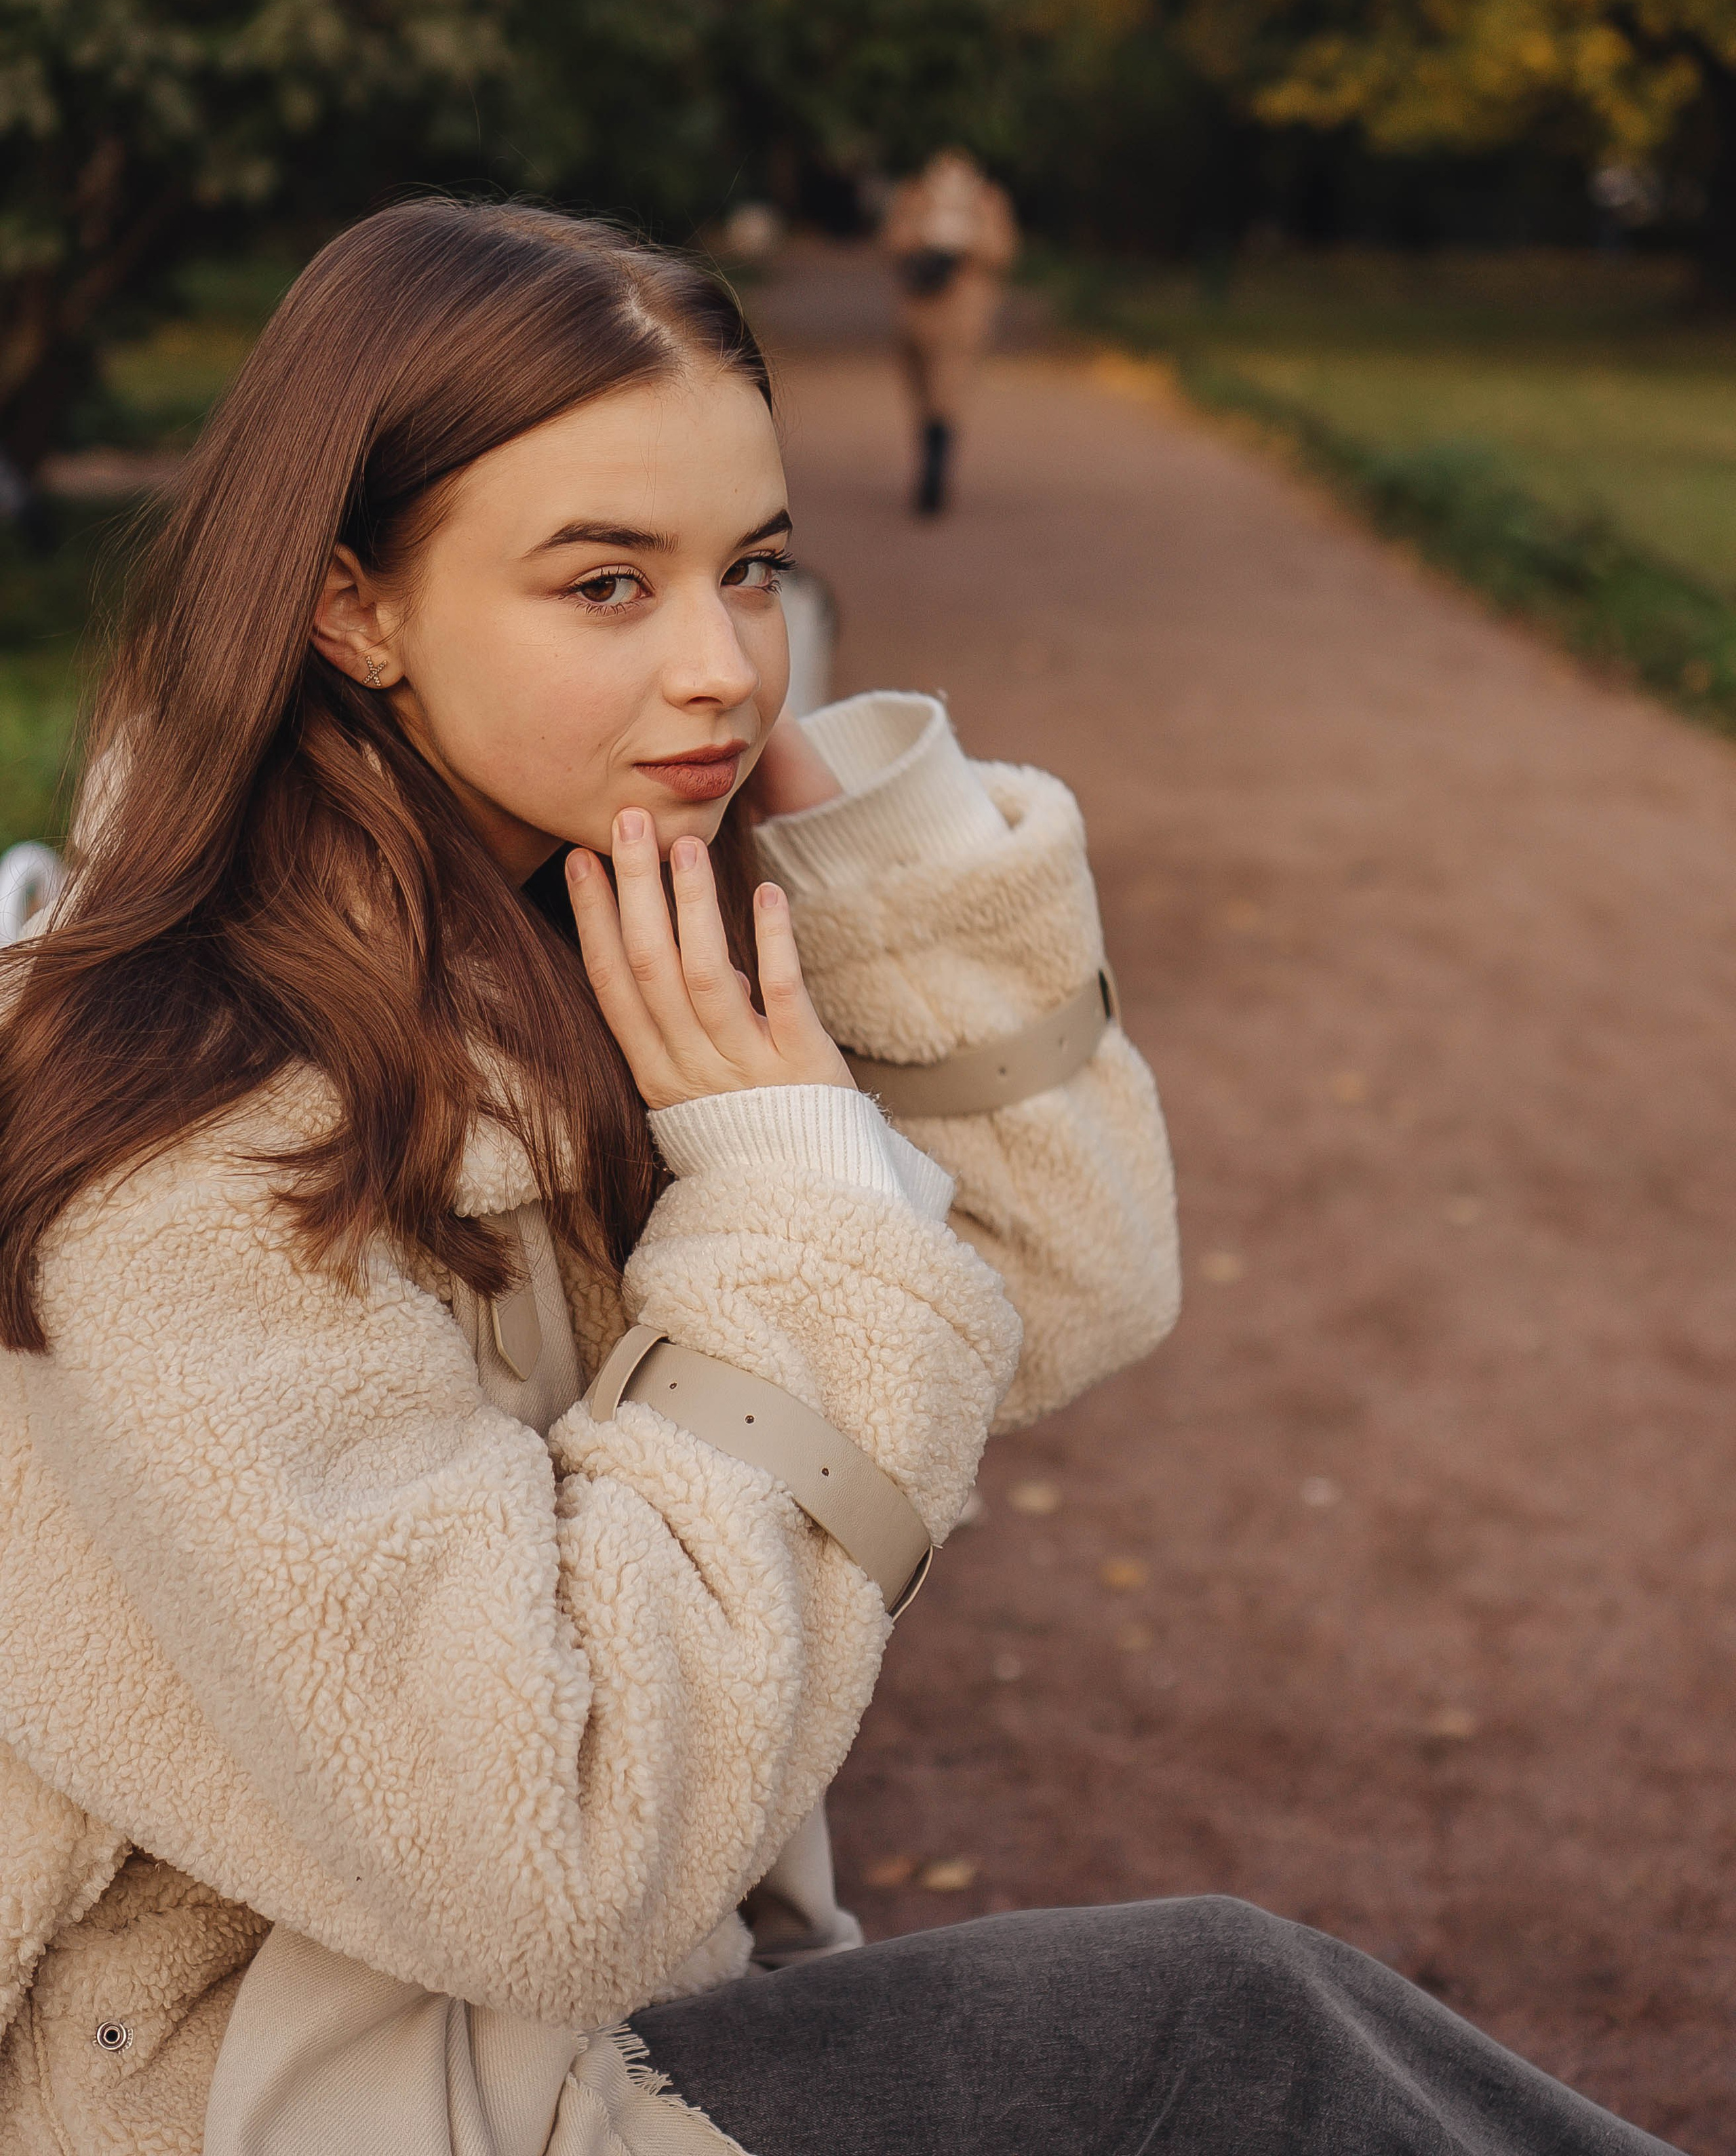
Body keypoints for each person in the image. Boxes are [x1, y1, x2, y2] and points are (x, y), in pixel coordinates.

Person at [0, 201, 1675, 2156]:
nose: (725, 667)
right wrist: (793, 1190)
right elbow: (546, 1849)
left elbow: (1072, 1280)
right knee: (1227, 2031)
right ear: (354, 606)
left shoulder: (571, 951)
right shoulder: (189, 1124)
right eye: (607, 585)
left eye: (756, 568)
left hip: (559, 2030)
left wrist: (875, 865)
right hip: (269, 2096)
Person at [880, 150, 1018, 515]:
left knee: (949, 395)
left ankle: (934, 478)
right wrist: (929, 233)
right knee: (923, 394)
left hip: (964, 319)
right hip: (918, 314)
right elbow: (891, 242)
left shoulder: (988, 201)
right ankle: (930, 460)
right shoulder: (914, 195)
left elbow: (1003, 252)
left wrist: (965, 237)